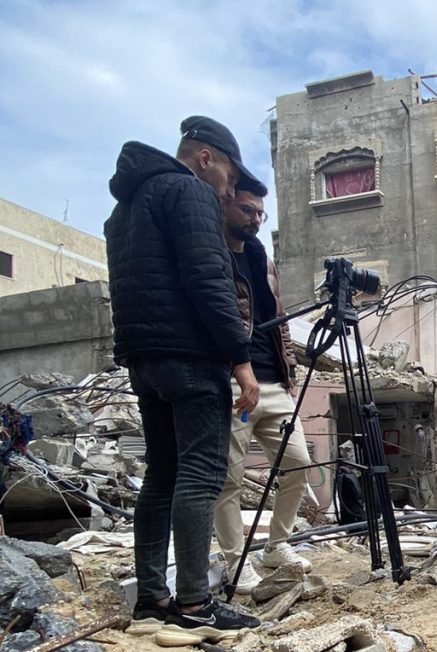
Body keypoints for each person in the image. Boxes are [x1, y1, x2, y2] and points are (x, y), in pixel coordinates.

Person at [105, 116, 262, 646]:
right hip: (192, 357)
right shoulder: (189, 193)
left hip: (145, 359)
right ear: (205, 159)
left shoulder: (123, 209)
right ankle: (195, 603)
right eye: (229, 174)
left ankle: (153, 599)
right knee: (200, 472)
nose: (231, 188)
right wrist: (240, 360)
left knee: (162, 475)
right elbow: (207, 279)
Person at [213, 183, 313, 594]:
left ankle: (277, 546)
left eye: (260, 213)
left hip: (274, 383)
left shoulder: (261, 258)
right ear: (225, 204)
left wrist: (288, 372)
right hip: (235, 385)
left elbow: (280, 319)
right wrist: (237, 371)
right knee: (229, 480)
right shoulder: (212, 253)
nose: (254, 219)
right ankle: (235, 562)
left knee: (299, 464)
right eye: (247, 210)